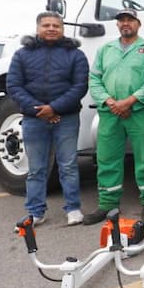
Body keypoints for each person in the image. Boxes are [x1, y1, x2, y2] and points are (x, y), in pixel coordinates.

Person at [7, 12, 89, 226]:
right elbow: (14, 86)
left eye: (56, 25)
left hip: (66, 118)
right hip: (34, 119)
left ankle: (73, 209)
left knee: (68, 165)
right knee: (36, 169)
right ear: (38, 29)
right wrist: (39, 110)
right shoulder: (22, 55)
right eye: (46, 25)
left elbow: (80, 86)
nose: (51, 28)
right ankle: (35, 212)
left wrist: (54, 108)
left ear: (62, 29)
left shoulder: (76, 55)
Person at [83, 9, 144, 224]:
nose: (126, 23)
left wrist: (129, 101)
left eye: (130, 20)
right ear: (117, 25)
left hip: (140, 112)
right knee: (106, 158)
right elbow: (94, 79)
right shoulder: (105, 50)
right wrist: (110, 102)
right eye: (122, 20)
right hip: (110, 113)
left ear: (138, 23)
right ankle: (107, 204)